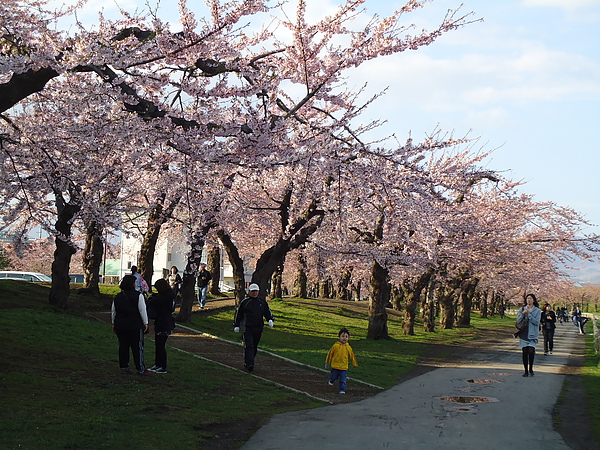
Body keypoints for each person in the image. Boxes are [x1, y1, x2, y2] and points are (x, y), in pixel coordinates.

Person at [111, 274, 152, 376]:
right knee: (137, 347)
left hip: (121, 325)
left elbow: (114, 311)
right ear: (133, 284)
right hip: (135, 325)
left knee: (123, 346)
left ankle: (124, 366)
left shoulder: (118, 297)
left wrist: (114, 323)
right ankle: (140, 368)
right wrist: (145, 323)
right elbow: (142, 310)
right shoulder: (138, 296)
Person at [233, 283, 274, 371]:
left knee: (254, 345)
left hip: (258, 327)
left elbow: (267, 312)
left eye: (256, 291)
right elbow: (239, 314)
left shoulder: (262, 302)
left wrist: (270, 319)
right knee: (249, 345)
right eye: (253, 291)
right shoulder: (245, 302)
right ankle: (249, 364)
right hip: (248, 327)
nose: (255, 293)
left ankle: (249, 360)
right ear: (249, 292)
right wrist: (237, 325)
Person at [147, 278, 176, 373]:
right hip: (162, 322)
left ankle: (162, 366)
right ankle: (158, 364)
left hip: (164, 322)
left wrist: (152, 299)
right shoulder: (167, 295)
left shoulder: (166, 297)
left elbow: (157, 302)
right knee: (158, 345)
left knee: (161, 345)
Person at [325, 327, 358, 394]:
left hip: (344, 367)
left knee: (343, 380)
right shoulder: (335, 346)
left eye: (346, 337)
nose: (344, 338)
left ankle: (342, 390)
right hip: (335, 366)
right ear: (339, 337)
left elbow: (352, 355)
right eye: (343, 336)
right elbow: (330, 354)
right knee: (334, 377)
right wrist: (327, 363)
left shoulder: (348, 347)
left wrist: (354, 363)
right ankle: (331, 380)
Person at [516, 293, 542, 377]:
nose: (529, 300)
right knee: (524, 352)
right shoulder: (522, 309)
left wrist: (530, 314)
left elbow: (536, 322)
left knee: (531, 351)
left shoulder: (537, 311)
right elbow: (518, 321)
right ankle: (526, 371)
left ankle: (531, 368)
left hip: (533, 334)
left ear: (534, 300)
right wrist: (523, 313)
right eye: (527, 299)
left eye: (530, 298)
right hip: (524, 333)